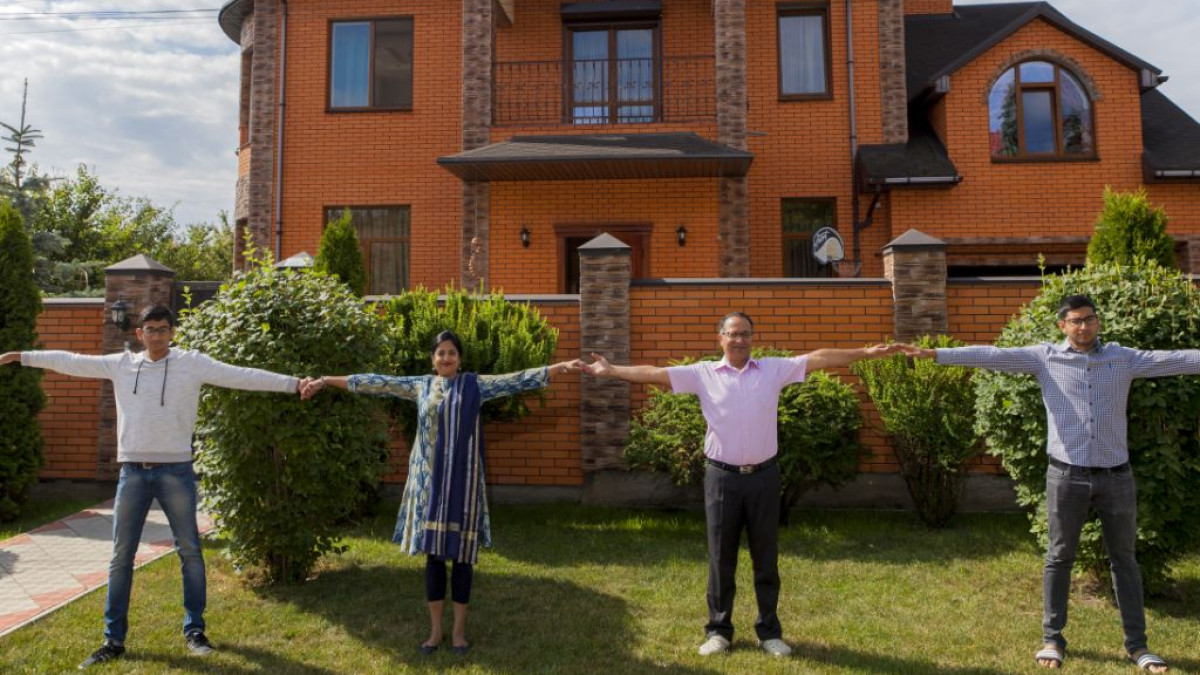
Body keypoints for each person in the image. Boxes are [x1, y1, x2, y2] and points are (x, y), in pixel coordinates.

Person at [1, 305, 304, 669]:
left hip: (176, 470)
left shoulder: (192, 363)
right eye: (150, 329)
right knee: (120, 557)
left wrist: (293, 384)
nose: (157, 335)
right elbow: (72, 360)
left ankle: (195, 631)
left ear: (172, 332)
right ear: (139, 333)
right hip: (132, 472)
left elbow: (241, 375)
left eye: (163, 328)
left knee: (190, 551)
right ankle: (113, 640)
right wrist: (20, 356)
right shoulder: (121, 364)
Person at [583, 312, 899, 657]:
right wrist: (612, 370)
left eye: (745, 334)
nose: (739, 340)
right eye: (732, 334)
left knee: (766, 557)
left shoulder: (773, 370)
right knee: (721, 558)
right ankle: (719, 631)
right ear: (720, 338)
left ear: (752, 338)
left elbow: (820, 357)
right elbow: (656, 374)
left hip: (764, 477)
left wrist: (865, 353)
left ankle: (769, 632)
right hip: (721, 478)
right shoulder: (703, 374)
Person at [904, 294, 1186, 673]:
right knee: (1058, 558)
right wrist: (936, 355)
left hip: (1116, 477)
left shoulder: (1124, 358)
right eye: (1075, 320)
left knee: (1125, 561)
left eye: (1089, 319)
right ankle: (1052, 639)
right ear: (1062, 326)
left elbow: (1178, 360)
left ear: (1097, 321)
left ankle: (1138, 647)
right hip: (1066, 476)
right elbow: (992, 355)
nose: (1083, 326)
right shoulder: (1044, 357)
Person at [301, 330, 581, 655]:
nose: (446, 358)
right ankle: (435, 632)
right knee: (434, 558)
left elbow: (516, 380)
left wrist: (558, 367)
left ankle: (459, 632)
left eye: (452, 352)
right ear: (432, 360)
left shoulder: (475, 385)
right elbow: (375, 382)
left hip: (463, 489)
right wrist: (324, 380)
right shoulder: (420, 386)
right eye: (440, 353)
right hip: (429, 489)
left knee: (462, 559)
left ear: (459, 358)